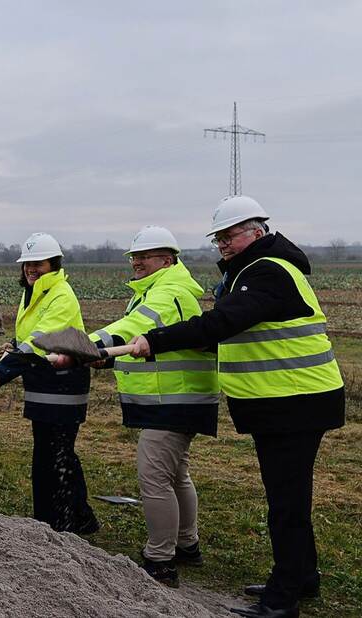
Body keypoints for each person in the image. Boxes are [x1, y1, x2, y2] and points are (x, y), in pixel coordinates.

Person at [128, 196, 344, 618]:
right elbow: (228, 331)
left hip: (294, 401)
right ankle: (302, 577)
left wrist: (155, 340)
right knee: (289, 498)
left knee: (286, 504)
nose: (224, 245)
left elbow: (222, 323)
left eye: (230, 236)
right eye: (219, 239)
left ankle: (282, 600)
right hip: (284, 400)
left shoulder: (267, 271)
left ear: (257, 231)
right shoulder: (257, 270)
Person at [68, 226, 219, 586]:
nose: (136, 262)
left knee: (154, 479)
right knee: (176, 475)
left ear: (167, 259)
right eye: (134, 256)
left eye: (144, 256)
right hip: (179, 398)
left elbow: (132, 328)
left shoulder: (168, 292)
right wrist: (107, 360)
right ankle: (186, 545)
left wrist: (82, 344)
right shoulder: (162, 289)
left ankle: (160, 559)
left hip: (174, 401)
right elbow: (147, 348)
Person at [0, 233, 98, 534]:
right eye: (27, 264)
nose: (31, 269)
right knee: (54, 452)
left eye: (38, 263)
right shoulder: (36, 293)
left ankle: (59, 526)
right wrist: (13, 344)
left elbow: (40, 341)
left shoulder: (60, 294)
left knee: (55, 456)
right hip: (43, 383)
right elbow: (29, 334)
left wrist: (1, 371)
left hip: (63, 384)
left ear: (53, 264)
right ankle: (81, 515)